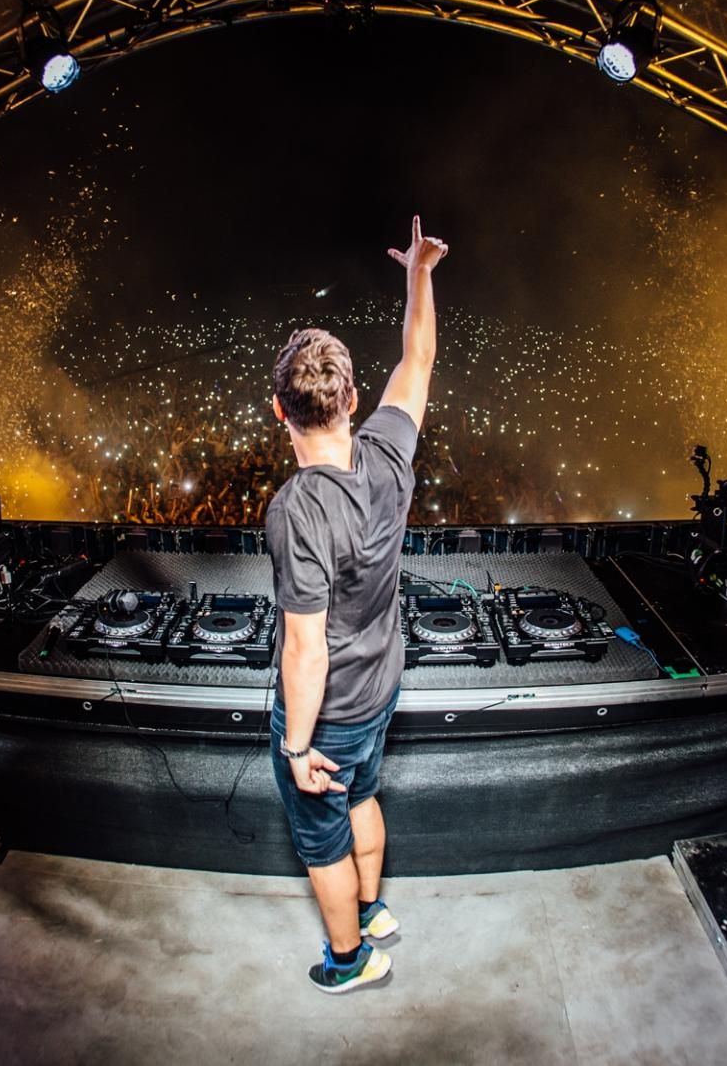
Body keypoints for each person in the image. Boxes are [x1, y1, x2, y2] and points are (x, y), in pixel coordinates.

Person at [265, 215, 448, 994]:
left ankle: (351, 958)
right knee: (365, 792)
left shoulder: (296, 509)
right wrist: (419, 274)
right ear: (351, 398)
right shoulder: (388, 451)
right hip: (382, 686)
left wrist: (297, 747)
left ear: (280, 411)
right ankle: (373, 910)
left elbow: (305, 649)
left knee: (322, 839)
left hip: (332, 708)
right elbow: (419, 356)